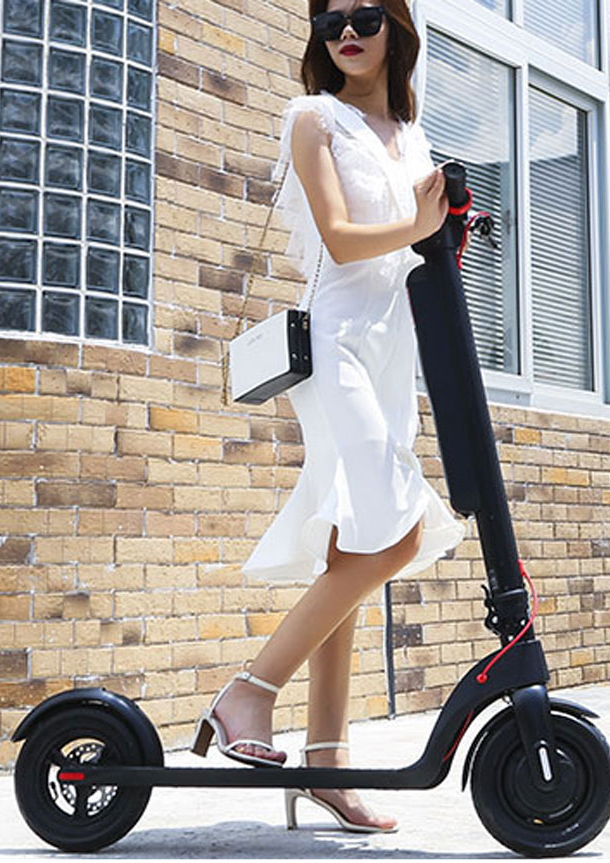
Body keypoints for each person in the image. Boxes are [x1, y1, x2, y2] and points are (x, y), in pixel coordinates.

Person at [190, 0, 468, 835]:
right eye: (330, 18)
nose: (345, 30)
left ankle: (326, 762)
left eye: (365, 16)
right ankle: (248, 694)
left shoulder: (412, 136)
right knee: (400, 532)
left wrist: (449, 228)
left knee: (356, 545)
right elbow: (344, 239)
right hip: (339, 343)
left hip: (392, 353)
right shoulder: (313, 117)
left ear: (398, 29)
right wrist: (419, 224)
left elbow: (421, 245)